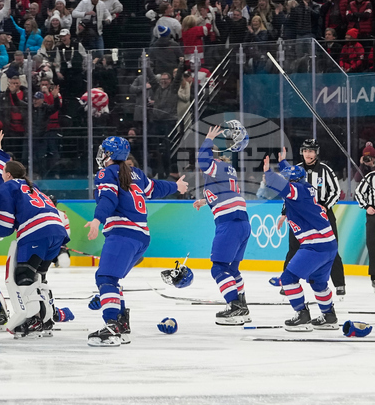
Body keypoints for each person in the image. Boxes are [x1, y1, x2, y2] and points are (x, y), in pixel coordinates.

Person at [85, 136, 188, 347]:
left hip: (123, 233)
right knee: (111, 279)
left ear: (110, 154)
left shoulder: (106, 173)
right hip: (141, 237)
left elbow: (108, 199)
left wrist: (97, 219)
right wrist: (176, 186)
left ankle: (113, 326)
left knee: (106, 277)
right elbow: (156, 188)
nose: (101, 154)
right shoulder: (136, 173)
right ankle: (121, 324)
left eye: (104, 151)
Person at [0, 156, 72, 337]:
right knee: (39, 276)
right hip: (56, 232)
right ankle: (46, 318)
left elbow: (2, 220)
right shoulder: (34, 187)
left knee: (24, 276)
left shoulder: (8, 186)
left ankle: (34, 318)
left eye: (3, 172)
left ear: (8, 174)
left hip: (36, 233)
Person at [263, 151, 339, 330]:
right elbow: (291, 174)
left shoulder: (296, 190)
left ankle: (302, 315)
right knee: (318, 282)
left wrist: (268, 174)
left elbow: (283, 186)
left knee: (289, 278)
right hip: (328, 244)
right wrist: (282, 163)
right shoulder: (305, 187)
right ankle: (329, 316)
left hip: (315, 245)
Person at [193, 123, 252, 325]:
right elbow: (224, 194)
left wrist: (208, 140)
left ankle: (235, 307)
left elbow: (203, 160)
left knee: (218, 268)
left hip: (230, 222)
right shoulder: (227, 169)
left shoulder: (215, 166)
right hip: (242, 221)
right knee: (232, 269)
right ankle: (241, 306)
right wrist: (204, 201)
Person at [279, 139, 345, 295]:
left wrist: (326, 205)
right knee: (294, 248)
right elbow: (288, 195)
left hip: (322, 215)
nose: (308, 154)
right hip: (299, 215)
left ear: (316, 153)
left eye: (311, 151)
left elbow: (336, 191)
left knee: (331, 246)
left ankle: (339, 283)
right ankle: (286, 282)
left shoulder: (325, 170)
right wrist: (284, 213)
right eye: (305, 151)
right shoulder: (295, 170)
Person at [354, 143, 375, 291]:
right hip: (373, 214)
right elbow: (358, 192)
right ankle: (374, 276)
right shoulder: (369, 176)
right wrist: (367, 205)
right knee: (372, 245)